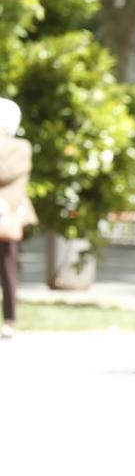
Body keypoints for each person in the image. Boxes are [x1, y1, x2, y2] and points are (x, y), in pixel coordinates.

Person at [0, 98, 37, 339]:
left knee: (8, 269)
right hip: (10, 215)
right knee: (9, 267)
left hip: (9, 215)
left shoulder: (20, 147)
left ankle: (9, 320)